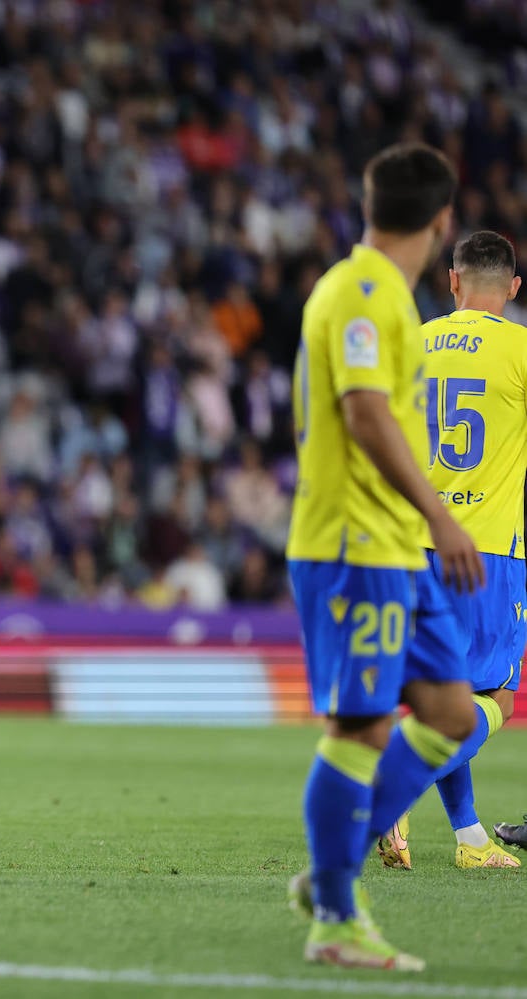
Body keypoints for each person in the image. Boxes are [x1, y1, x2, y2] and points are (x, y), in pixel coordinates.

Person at [285, 144, 485, 972]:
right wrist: (442, 516)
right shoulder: (362, 292)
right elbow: (367, 414)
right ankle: (335, 915)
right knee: (361, 724)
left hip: (394, 546)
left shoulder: (391, 299)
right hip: (354, 543)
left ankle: (333, 865)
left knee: (451, 713)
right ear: (442, 222)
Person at [383, 232, 526, 866]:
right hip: (488, 552)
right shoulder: (521, 350)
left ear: (452, 282)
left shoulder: (412, 343)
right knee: (497, 696)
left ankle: (469, 840)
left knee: (443, 693)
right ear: (514, 288)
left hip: (414, 546)